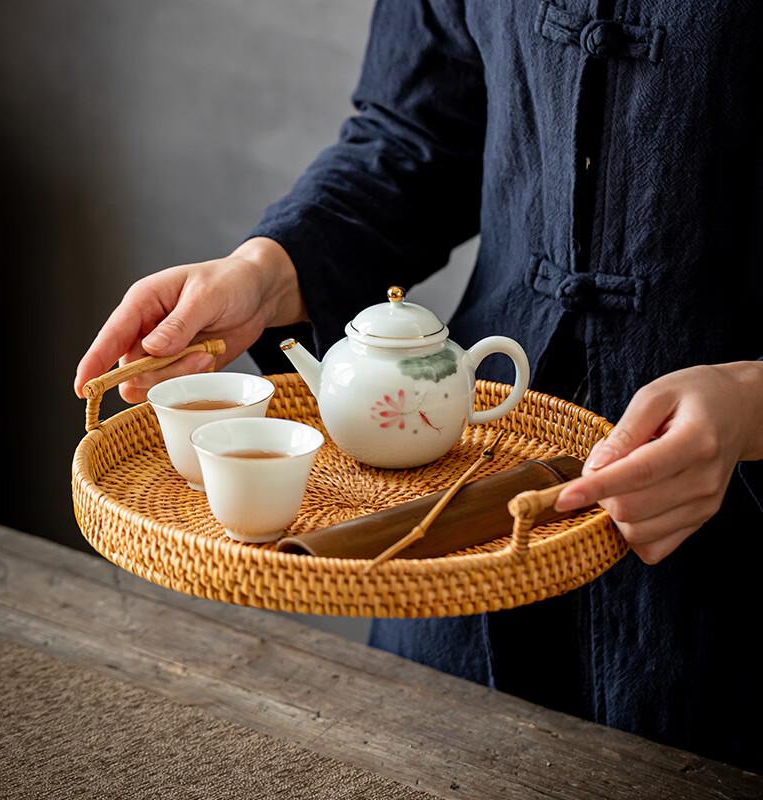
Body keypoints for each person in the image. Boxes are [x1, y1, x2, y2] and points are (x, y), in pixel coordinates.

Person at [74, 1, 763, 772]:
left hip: (730, 579)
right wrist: (266, 273)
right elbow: (416, 139)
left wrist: (752, 403)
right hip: (455, 513)